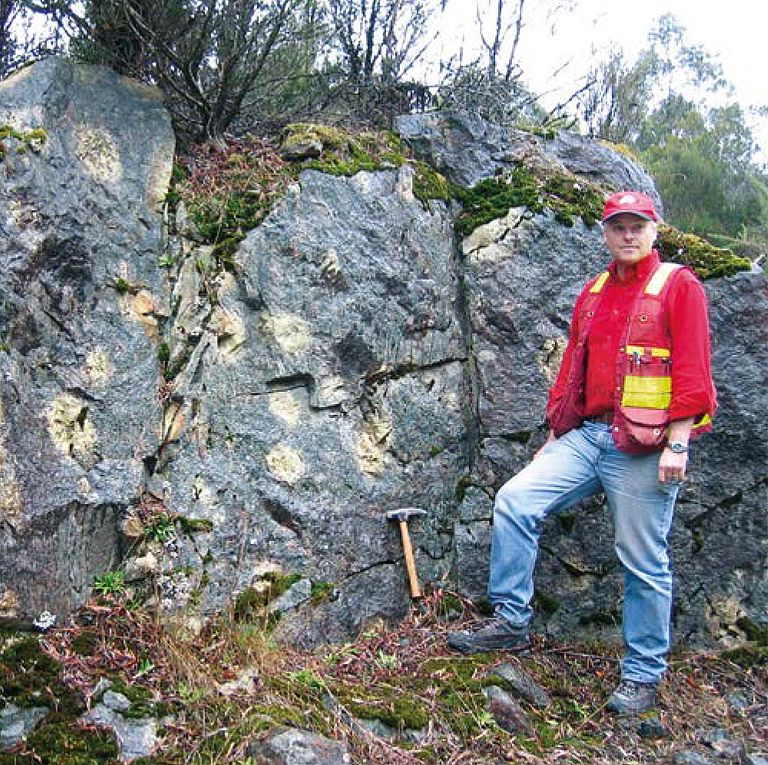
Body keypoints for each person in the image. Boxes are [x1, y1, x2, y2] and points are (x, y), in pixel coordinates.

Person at [447, 190, 717, 715]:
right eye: (619, 226)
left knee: (643, 560)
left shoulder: (677, 286)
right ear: (605, 233)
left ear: (654, 230)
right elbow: (574, 369)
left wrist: (678, 443)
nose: (629, 234)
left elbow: (691, 370)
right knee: (516, 500)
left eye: (638, 225)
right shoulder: (593, 290)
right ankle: (511, 621)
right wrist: (556, 435)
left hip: (646, 446)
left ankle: (642, 675)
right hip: (588, 435)